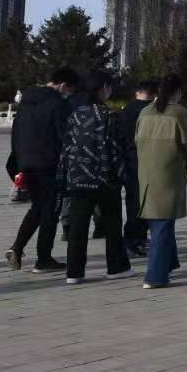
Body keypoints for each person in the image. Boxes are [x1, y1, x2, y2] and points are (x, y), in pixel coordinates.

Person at [61, 70, 131, 284]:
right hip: (104, 178)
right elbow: (116, 149)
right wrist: (124, 175)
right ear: (103, 89)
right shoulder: (110, 115)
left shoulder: (76, 115)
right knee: (112, 224)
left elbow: (67, 147)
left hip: (78, 177)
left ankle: (74, 272)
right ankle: (116, 267)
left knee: (78, 226)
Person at [6, 67, 77, 272]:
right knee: (50, 212)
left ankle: (17, 248)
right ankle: (43, 259)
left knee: (38, 208)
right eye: (70, 90)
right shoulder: (58, 104)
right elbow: (64, 135)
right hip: (49, 164)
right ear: (63, 85)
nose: (69, 94)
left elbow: (15, 133)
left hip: (26, 163)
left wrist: (18, 163)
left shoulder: (26, 102)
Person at [135, 75, 187, 289]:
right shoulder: (180, 113)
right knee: (162, 224)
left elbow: (136, 140)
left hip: (146, 173)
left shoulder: (145, 112)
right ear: (178, 92)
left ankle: (169, 262)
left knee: (158, 221)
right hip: (169, 174)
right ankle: (155, 276)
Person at [115, 79, 157, 259]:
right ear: (154, 94)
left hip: (129, 161)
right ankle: (135, 239)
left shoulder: (125, 110)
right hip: (148, 161)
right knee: (145, 203)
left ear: (136, 92)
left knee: (133, 202)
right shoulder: (153, 111)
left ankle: (134, 238)